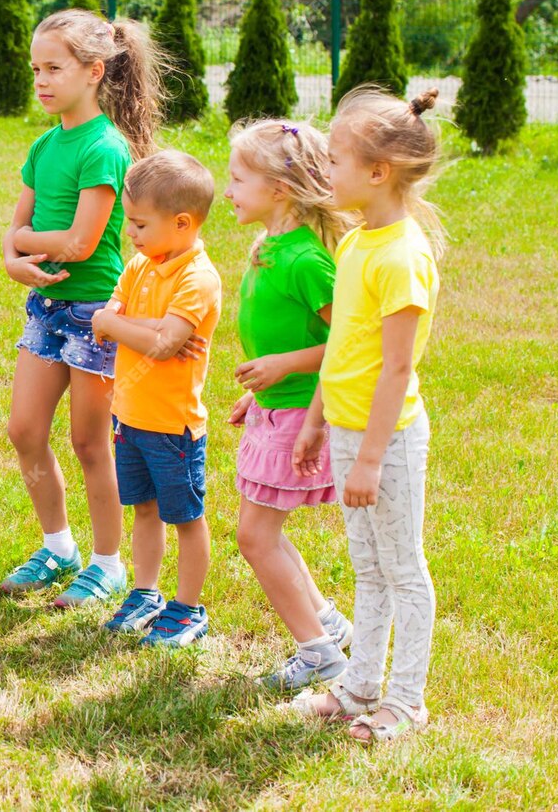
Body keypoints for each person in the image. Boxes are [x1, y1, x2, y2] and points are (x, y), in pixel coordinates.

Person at [289, 88, 444, 745]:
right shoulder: (355, 244)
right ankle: (358, 688)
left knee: (403, 570)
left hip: (389, 441)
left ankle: (405, 702)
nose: (326, 172)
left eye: (335, 161)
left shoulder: (401, 258)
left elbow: (396, 369)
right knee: (368, 569)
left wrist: (374, 458)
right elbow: (345, 348)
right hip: (351, 431)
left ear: (378, 173)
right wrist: (317, 419)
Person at [1, 8, 169, 606]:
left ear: (95, 71)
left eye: (54, 68)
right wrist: (13, 256)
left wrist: (22, 245)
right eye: (36, 69)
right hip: (46, 306)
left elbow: (81, 242)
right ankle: (58, 548)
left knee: (90, 443)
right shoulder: (46, 144)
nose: (42, 80)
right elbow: (16, 226)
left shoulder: (104, 147)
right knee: (24, 430)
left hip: (94, 314)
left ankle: (107, 562)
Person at [224, 119, 356, 689]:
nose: (227, 190)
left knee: (255, 536)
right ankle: (326, 623)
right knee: (265, 533)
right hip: (274, 406)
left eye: (237, 178)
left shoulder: (305, 261)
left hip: (304, 413)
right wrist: (258, 389)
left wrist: (283, 369)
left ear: (279, 189)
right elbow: (282, 335)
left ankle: (319, 653)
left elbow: (349, 342)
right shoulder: (269, 247)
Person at [91, 150, 221, 647]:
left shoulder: (197, 279)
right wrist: (140, 328)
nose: (131, 233)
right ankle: (146, 592)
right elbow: (108, 320)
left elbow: (165, 345)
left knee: (186, 518)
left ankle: (187, 609)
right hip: (130, 417)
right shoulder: (141, 265)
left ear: (182, 222)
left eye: (141, 224)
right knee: (142, 509)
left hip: (173, 427)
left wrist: (125, 327)